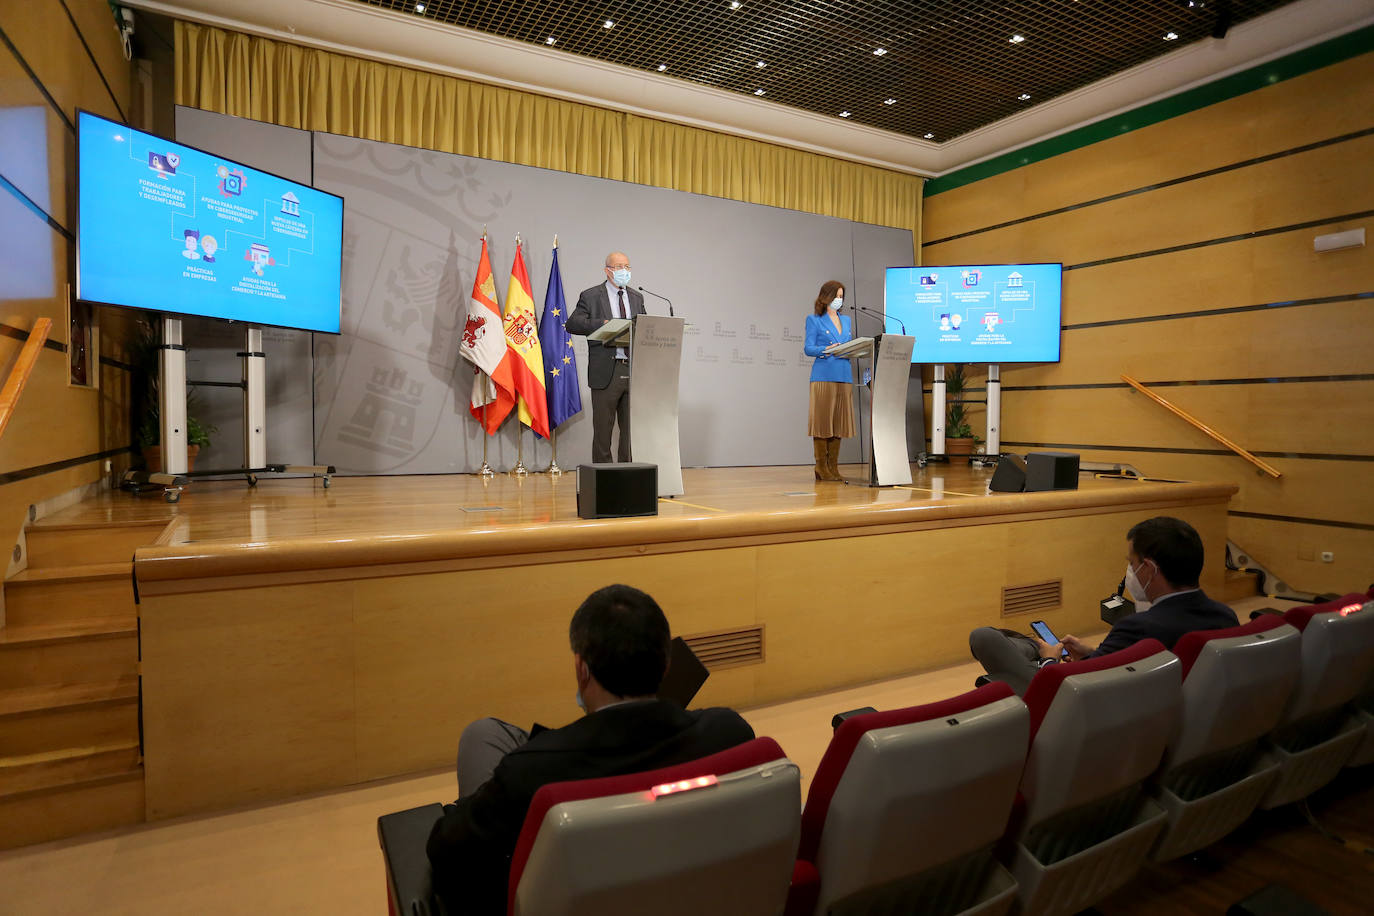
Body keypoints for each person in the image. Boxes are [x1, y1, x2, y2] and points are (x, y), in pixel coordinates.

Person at [425, 584, 755, 914]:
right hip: (684, 894)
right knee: (486, 733)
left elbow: (446, 852)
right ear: (666, 665)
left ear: (582, 670)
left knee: (481, 738)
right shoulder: (730, 734)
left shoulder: (531, 775)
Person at [969, 516, 1238, 695]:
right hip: (1144, 705)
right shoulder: (1225, 617)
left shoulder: (1139, 627)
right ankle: (1031, 649)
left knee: (985, 638)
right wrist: (1092, 654)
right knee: (1004, 648)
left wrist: (1051, 660)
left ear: (1148, 569)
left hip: (1083, 709)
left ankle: (1035, 652)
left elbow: (1070, 686)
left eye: (1131, 564)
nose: (1129, 572)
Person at [565, 252, 646, 463]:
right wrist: (603, 325)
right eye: (619, 267)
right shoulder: (591, 296)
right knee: (603, 432)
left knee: (631, 433)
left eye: (627, 267)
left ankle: (628, 478)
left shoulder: (637, 297)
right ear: (607, 270)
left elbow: (644, 328)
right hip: (606, 372)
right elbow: (572, 324)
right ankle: (604, 483)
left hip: (632, 370)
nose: (624, 271)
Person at [802, 280, 855, 481]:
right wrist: (825, 350)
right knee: (823, 423)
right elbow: (808, 348)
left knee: (838, 424)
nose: (839, 300)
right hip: (823, 375)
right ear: (826, 297)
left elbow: (849, 344)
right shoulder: (814, 319)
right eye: (836, 296)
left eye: (841, 297)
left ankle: (833, 467)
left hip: (844, 374)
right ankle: (820, 467)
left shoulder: (847, 320)